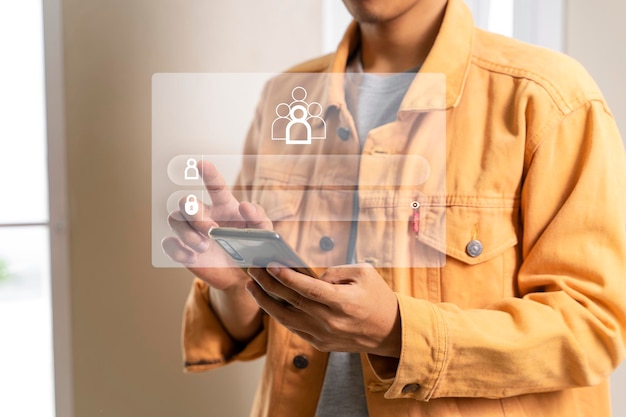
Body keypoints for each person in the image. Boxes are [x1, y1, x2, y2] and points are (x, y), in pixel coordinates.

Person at [162, 0, 626, 416]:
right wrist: (236, 284)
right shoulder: (286, 98)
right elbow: (259, 320)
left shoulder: (547, 98)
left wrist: (397, 332)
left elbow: (594, 327)